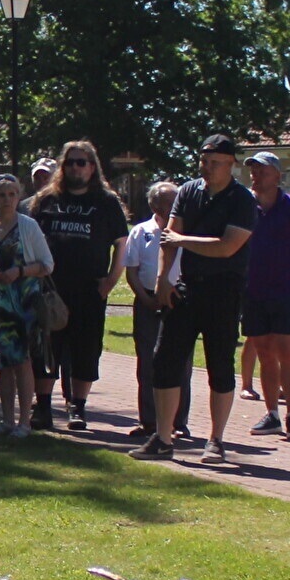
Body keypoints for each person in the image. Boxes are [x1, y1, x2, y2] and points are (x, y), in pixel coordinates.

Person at [142, 139, 258, 463]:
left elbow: (226, 247)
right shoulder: (188, 191)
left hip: (224, 289)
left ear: (231, 164)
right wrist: (162, 279)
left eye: (215, 162)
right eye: (204, 161)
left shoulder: (242, 199)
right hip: (187, 286)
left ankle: (216, 440)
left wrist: (182, 240)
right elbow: (168, 240)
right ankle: (163, 438)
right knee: (164, 361)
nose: (207, 168)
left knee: (219, 365)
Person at [30, 141, 128, 429]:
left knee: (86, 350)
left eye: (81, 162)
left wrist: (110, 281)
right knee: (47, 349)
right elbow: (30, 238)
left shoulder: (106, 202)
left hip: (89, 290)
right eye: (70, 162)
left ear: (92, 167)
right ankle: (42, 407)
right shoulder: (46, 199)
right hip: (51, 289)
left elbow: (122, 244)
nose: (75, 167)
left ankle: (77, 407)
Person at [238, 151, 290, 441]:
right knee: (264, 353)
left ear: (277, 176)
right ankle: (272, 414)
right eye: (253, 171)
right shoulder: (244, 206)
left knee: (287, 353)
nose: (256, 176)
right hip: (252, 291)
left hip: (285, 292)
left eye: (263, 171)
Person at [0, 172, 53, 438]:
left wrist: (19, 271)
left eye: (12, 194)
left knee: (23, 361)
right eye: (1, 195)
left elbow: (47, 264)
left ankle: (24, 422)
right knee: (3, 363)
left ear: (19, 197)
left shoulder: (28, 226)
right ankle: (7, 419)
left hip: (23, 302)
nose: (7, 199)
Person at [119, 180, 178, 437]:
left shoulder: (186, 231)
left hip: (177, 300)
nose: (175, 206)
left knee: (180, 362)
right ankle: (149, 421)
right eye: (169, 202)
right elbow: (131, 271)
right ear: (155, 205)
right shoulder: (141, 231)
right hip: (147, 301)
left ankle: (178, 423)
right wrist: (145, 298)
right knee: (147, 362)